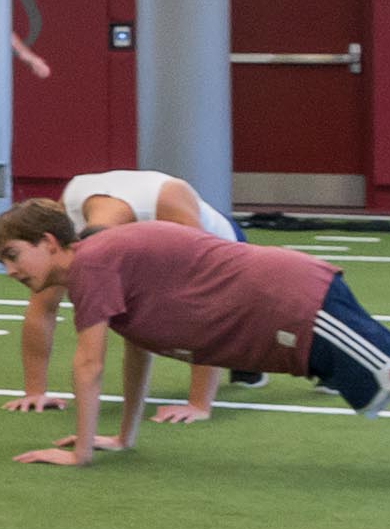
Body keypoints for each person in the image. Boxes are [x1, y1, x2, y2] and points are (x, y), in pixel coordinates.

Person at [0, 196, 390, 457]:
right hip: (289, 313)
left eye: (14, 256)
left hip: (294, 303)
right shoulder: (100, 266)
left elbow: (88, 366)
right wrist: (122, 437)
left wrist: (81, 457)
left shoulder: (93, 262)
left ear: (50, 242)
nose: (11, 271)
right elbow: (136, 349)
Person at [14, 168, 241, 422]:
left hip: (224, 248)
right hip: (144, 246)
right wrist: (35, 392)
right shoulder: (68, 208)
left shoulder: (168, 199)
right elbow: (43, 305)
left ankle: (243, 359)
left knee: (221, 315)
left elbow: (205, 304)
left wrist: (198, 404)